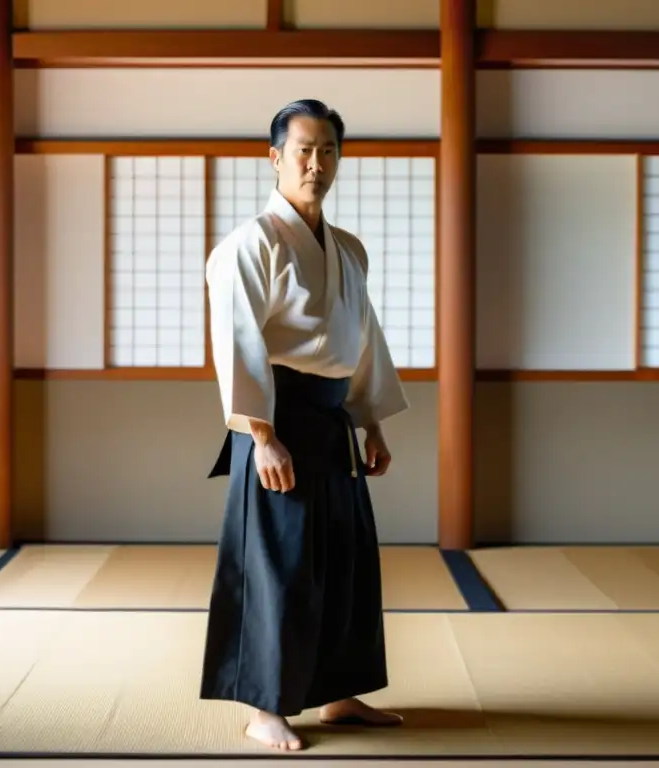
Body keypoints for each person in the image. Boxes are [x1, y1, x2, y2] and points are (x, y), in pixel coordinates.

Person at [199, 99, 410, 752]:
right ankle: (264, 705)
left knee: (345, 561)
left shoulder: (349, 250)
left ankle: (339, 694)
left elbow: (362, 336)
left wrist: (370, 419)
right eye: (303, 151)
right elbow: (237, 342)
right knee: (280, 565)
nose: (315, 164)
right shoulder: (248, 244)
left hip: (332, 419)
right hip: (278, 419)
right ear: (275, 158)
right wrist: (260, 436)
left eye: (328, 152)